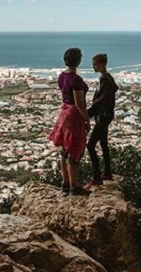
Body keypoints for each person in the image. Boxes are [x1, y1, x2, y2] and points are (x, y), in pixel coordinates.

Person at [48, 48, 91, 196]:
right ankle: (74, 187)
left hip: (63, 113)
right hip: (73, 116)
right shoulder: (76, 80)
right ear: (78, 61)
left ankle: (65, 184)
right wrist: (87, 120)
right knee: (74, 150)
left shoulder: (61, 76)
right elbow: (79, 103)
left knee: (64, 150)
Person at [84, 53, 119, 190]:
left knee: (91, 146)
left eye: (96, 64)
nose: (93, 67)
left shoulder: (105, 79)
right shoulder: (107, 78)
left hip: (103, 116)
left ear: (103, 64)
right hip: (106, 115)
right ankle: (108, 173)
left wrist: (87, 113)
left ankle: (97, 177)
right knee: (103, 144)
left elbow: (101, 100)